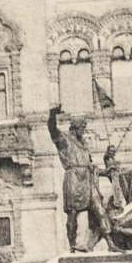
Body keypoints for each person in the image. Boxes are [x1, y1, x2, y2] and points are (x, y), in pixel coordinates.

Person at [47, 105, 105, 252]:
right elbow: (52, 129)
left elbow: (90, 162)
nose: (83, 131)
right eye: (82, 128)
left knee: (98, 210)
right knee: (73, 213)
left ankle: (92, 243)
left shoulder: (84, 144)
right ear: (75, 127)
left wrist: (98, 169)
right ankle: (72, 244)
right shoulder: (64, 139)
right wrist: (53, 113)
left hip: (87, 179)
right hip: (73, 178)